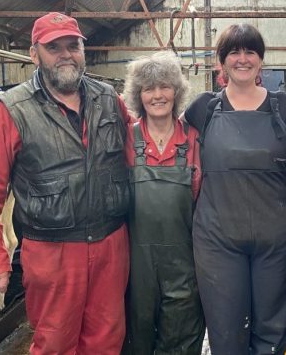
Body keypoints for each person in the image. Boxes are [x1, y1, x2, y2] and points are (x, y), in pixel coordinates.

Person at [0, 12, 132, 354]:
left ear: (83, 50)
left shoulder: (110, 101)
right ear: (34, 54)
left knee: (107, 340)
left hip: (111, 245)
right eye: (53, 47)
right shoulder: (12, 111)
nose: (65, 54)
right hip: (52, 252)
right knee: (55, 343)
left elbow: (139, 156)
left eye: (73, 45)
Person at [183, 23, 286, 355]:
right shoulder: (203, 109)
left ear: (261, 60)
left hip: (275, 240)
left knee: (273, 330)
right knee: (225, 330)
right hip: (217, 241)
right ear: (221, 62)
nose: (242, 58)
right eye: (233, 51)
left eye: (250, 51)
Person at [122, 51, 205, 355]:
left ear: (177, 91)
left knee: (181, 340)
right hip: (134, 265)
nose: (158, 95)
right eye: (148, 88)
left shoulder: (193, 140)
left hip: (184, 263)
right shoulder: (125, 139)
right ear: (138, 95)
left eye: (165, 86)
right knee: (135, 339)